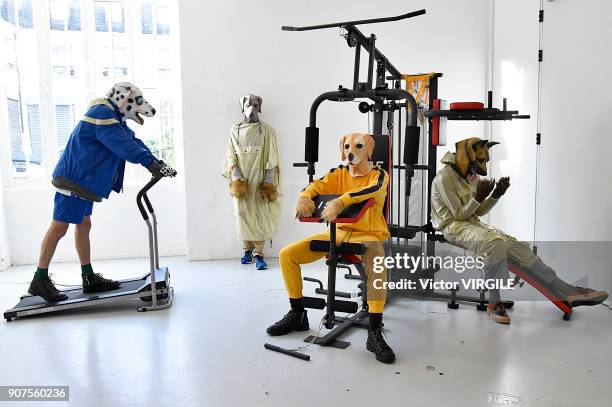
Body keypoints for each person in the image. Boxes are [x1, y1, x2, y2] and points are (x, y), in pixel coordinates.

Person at [431, 137, 608, 324]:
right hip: (453, 226)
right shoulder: (444, 178)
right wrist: (479, 197)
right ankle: (494, 303)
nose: (481, 169)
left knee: (517, 247)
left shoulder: (471, 175)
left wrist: (495, 194)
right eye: (479, 162)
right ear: (466, 156)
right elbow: (458, 215)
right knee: (495, 243)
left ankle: (568, 291)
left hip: (472, 223)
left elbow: (479, 211)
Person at [28, 82, 176, 302]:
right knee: (59, 227)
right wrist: (150, 164)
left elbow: (132, 140)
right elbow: (123, 146)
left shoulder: (111, 115)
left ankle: (88, 277)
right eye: (138, 103)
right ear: (124, 100)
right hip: (73, 179)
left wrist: (155, 162)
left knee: (84, 225)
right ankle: (39, 279)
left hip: (83, 181)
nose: (143, 107)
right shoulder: (102, 115)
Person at [266, 133, 395, 364]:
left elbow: (368, 192)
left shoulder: (380, 175)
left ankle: (374, 330)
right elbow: (317, 185)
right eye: (347, 147)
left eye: (358, 147)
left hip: (368, 235)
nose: (351, 152)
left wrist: (341, 201)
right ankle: (297, 314)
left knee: (377, 263)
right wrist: (305, 196)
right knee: (287, 255)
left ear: (369, 150)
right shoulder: (339, 172)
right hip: (337, 233)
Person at [222, 94, 281, 270]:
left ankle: (259, 253)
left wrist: (269, 179)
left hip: (260, 177)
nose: (252, 109)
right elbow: (230, 153)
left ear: (260, 107)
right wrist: (236, 173)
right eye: (248, 105)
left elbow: (272, 155)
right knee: (242, 213)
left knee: (259, 215)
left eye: (255, 105)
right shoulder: (235, 130)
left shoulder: (268, 130)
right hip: (241, 178)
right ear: (242, 106)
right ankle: (246, 250)